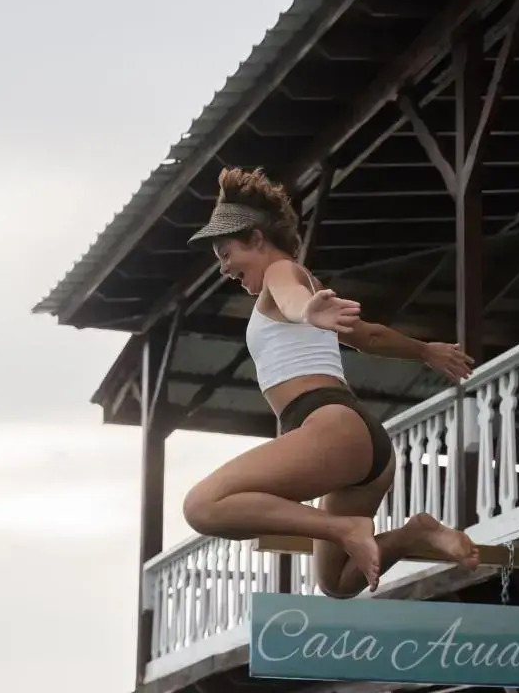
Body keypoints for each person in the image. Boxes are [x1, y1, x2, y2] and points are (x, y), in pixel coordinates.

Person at [181, 166, 480, 597]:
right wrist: (424, 350)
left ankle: (343, 527)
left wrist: (306, 311)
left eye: (226, 254)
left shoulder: (282, 273)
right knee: (337, 583)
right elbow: (369, 336)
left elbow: (291, 298)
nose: (224, 268)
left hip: (328, 425)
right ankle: (414, 533)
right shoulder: (311, 288)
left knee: (202, 506)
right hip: (362, 444)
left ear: (257, 239)